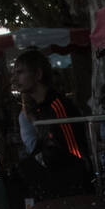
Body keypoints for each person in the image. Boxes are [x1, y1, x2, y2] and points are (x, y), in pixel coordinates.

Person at [11, 48, 92, 199]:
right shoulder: (40, 108)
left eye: (20, 72)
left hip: (72, 188)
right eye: (15, 73)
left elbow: (74, 152)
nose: (15, 79)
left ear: (38, 74)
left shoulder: (57, 106)